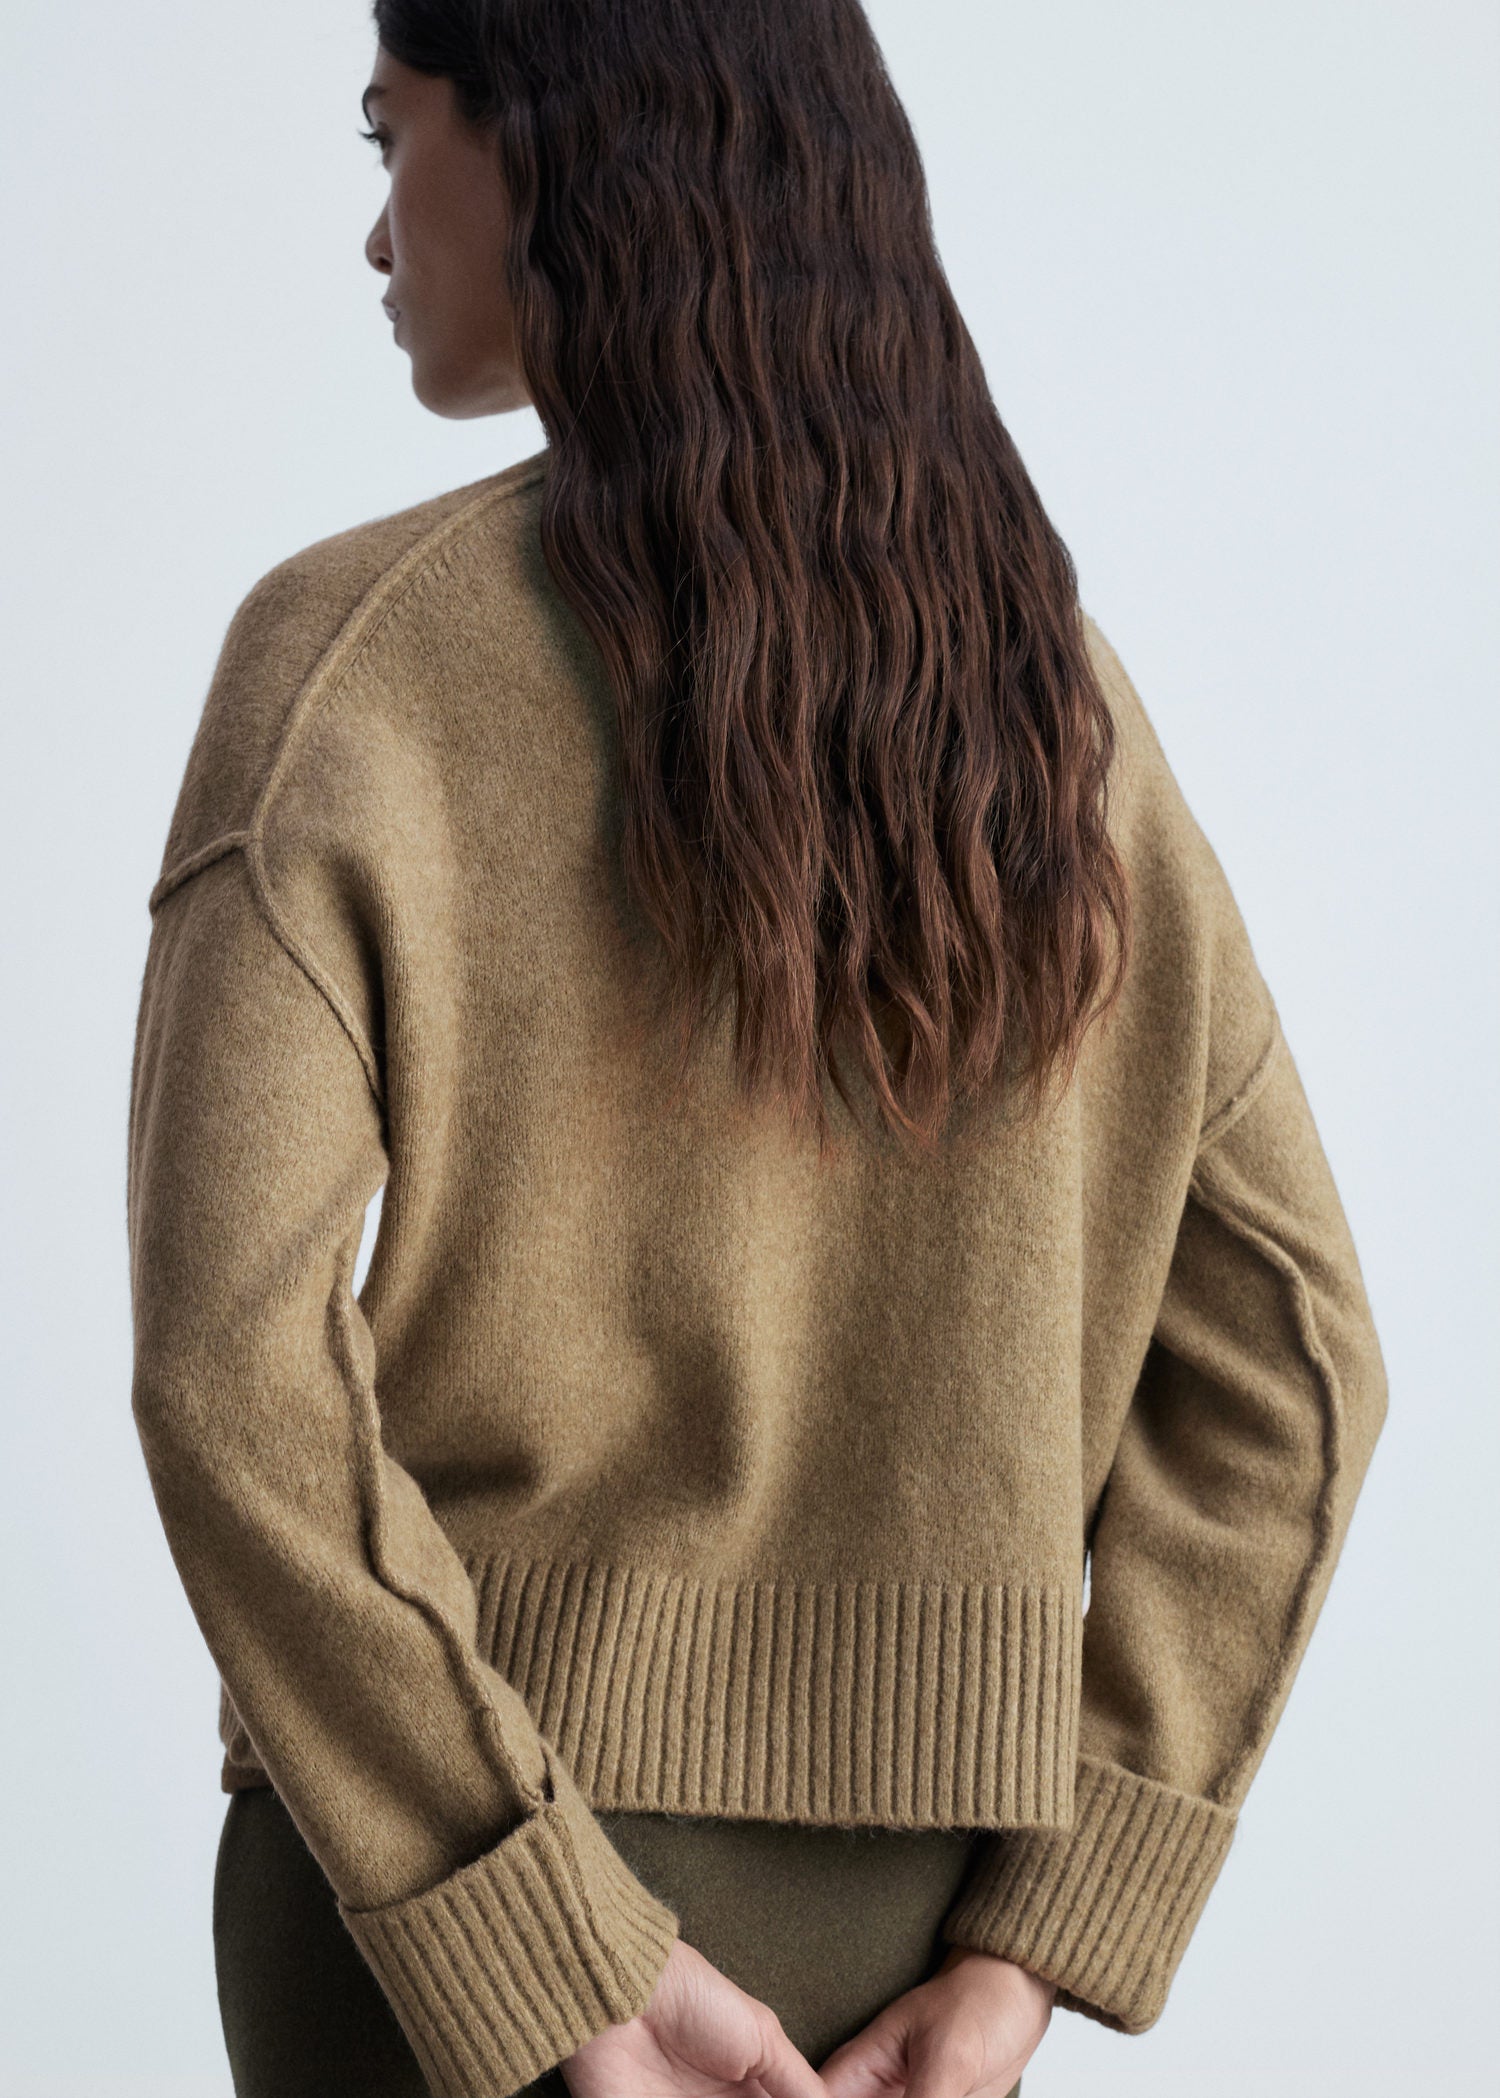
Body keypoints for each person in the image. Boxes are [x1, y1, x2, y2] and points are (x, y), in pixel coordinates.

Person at [123, 4, 1389, 2096]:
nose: (375, 232)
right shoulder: (1045, 705)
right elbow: (1303, 1345)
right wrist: (1045, 1935)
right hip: (906, 1936)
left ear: (550, 143)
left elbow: (225, 1372)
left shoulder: (348, 663)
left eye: (388, 134)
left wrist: (547, 1936)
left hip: (441, 1931)